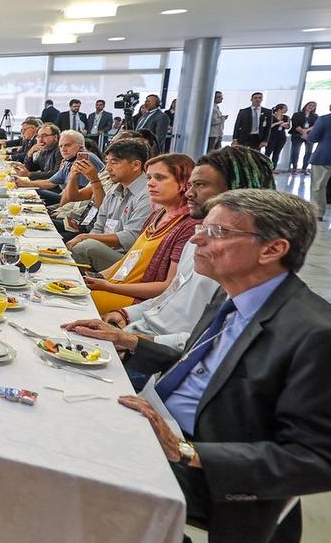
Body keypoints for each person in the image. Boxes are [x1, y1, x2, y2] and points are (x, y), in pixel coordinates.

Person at [115, 189, 331, 543]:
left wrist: (186, 451)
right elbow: (200, 361)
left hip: (209, 471)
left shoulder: (314, 334)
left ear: (272, 249)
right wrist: (129, 340)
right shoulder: (232, 292)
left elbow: (315, 460)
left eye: (217, 232)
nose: (196, 237)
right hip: (158, 422)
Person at [62, 146, 275, 359]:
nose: (189, 192)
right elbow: (171, 294)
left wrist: (131, 339)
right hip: (142, 331)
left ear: (237, 190)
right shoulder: (196, 236)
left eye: (199, 185)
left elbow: (209, 342)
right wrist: (125, 315)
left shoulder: (241, 260)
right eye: (191, 184)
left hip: (158, 352)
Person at [86, 154, 198, 314]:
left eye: (159, 178)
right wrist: (95, 277)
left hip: (141, 301)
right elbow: (128, 260)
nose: (150, 183)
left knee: (78, 301)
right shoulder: (157, 215)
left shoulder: (188, 227)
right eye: (149, 177)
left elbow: (168, 287)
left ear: (184, 183)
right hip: (119, 287)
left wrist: (109, 286)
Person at [65, 139, 153, 271]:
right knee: (77, 246)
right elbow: (99, 226)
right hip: (105, 250)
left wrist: (85, 237)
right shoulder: (114, 190)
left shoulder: (147, 195)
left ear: (136, 165)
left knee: (85, 247)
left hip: (127, 260)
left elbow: (130, 238)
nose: (107, 168)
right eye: (107, 162)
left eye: (114, 162)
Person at [16, 129, 103, 205]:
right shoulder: (69, 160)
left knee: (32, 193)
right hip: (66, 198)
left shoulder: (85, 159)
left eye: (67, 145)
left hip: (76, 203)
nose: (63, 149)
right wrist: (24, 183)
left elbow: (79, 195)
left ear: (81, 146)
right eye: (61, 146)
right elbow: (49, 182)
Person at [307, 112, 331, 220]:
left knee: (318, 186)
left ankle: (318, 213)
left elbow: (313, 137)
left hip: (325, 157)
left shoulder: (324, 119)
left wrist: (307, 136)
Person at [289, 101, 318, 174]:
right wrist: (303, 132)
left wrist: (306, 132)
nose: (311, 107)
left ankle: (304, 168)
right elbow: (295, 125)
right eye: (310, 105)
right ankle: (294, 168)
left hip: (309, 135)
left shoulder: (315, 116)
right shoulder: (297, 114)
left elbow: (315, 126)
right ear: (306, 105)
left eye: (313, 106)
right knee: (295, 151)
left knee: (308, 152)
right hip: (297, 134)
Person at [264, 104, 290, 171]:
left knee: (277, 152)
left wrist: (285, 125)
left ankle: (273, 168)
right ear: (279, 109)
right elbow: (268, 126)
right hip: (272, 135)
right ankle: (265, 167)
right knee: (268, 151)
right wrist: (278, 123)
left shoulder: (286, 117)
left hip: (281, 136)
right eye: (285, 108)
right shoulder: (271, 116)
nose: (286, 110)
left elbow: (288, 126)